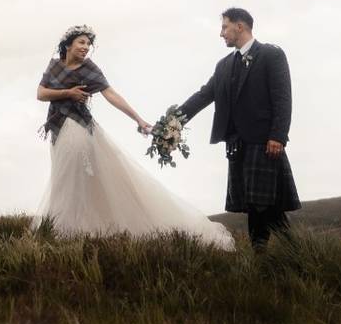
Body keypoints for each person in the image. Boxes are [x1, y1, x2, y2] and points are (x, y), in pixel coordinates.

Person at [34, 25, 235, 250]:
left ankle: (62, 233)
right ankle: (68, 231)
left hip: (77, 127)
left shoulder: (88, 68)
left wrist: (138, 119)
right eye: (81, 42)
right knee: (65, 176)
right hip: (56, 128)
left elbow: (111, 94)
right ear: (68, 44)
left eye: (88, 44)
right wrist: (68, 93)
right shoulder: (55, 66)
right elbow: (41, 93)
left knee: (69, 179)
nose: (86, 47)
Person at [179, 8, 300, 251]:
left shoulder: (270, 55)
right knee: (263, 204)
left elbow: (282, 98)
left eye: (225, 27)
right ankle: (296, 253)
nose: (221, 33)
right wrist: (173, 120)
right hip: (236, 144)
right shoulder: (224, 65)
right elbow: (204, 95)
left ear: (240, 26)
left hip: (264, 142)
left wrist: (278, 135)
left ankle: (261, 253)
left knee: (260, 203)